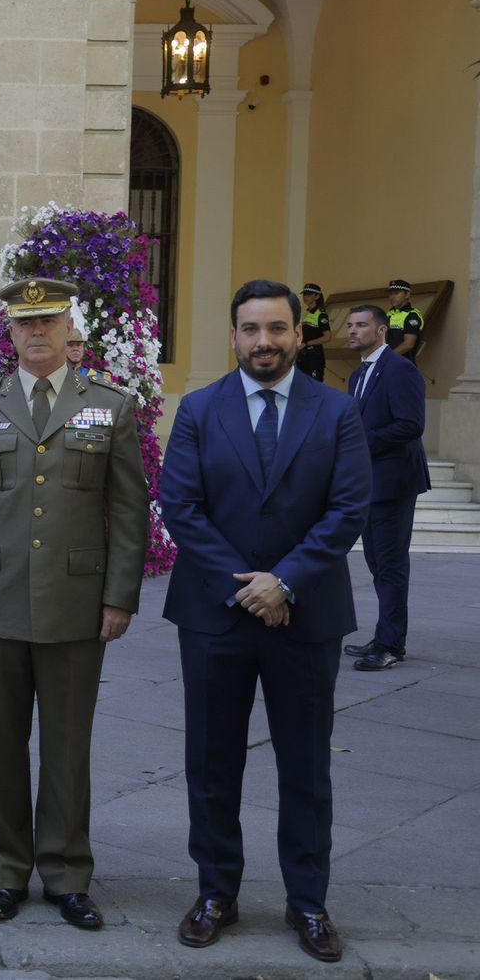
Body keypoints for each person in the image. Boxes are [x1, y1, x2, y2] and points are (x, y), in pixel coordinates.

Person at [159, 279, 371, 964]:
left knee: (306, 768)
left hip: (304, 616)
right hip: (214, 616)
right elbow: (181, 505)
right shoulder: (199, 409)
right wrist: (249, 587)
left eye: (277, 328)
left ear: (299, 334)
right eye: (250, 329)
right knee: (211, 764)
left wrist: (285, 581)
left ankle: (308, 901)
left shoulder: (336, 411)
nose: (264, 341)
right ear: (233, 336)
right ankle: (215, 893)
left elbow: (348, 508)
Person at [0, 276, 147, 931]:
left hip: (75, 603)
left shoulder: (108, 406)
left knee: (67, 746)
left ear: (68, 329)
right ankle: (4, 872)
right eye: (24, 323)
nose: (36, 332)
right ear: (10, 332)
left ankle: (65, 873)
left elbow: (129, 510)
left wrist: (119, 596)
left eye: (48, 321)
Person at [342, 304, 431, 671]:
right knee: (377, 562)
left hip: (395, 483)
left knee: (390, 564)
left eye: (361, 325)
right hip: (369, 483)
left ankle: (391, 644)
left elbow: (411, 425)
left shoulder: (400, 369)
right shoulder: (357, 375)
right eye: (350, 325)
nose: (352, 330)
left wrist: (360, 442)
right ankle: (384, 635)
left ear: (381, 331)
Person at [385, 279, 424, 363]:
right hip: (389, 363)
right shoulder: (389, 314)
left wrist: (387, 357)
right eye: (390, 293)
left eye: (396, 293)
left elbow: (408, 344)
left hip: (404, 363)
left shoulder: (412, 315)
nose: (392, 297)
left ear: (407, 295)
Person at [298, 283, 329, 382]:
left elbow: (327, 337)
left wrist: (306, 343)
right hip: (303, 356)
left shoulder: (321, 314)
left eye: (309, 294)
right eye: (304, 294)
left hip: (314, 356)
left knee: (314, 385)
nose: (305, 297)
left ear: (317, 296)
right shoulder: (307, 313)